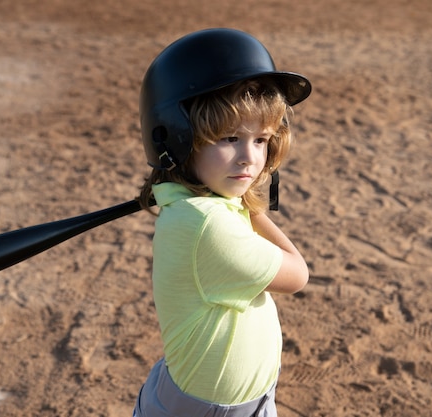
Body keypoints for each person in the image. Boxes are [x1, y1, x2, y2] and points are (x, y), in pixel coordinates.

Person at [132, 28, 312, 417]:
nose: (250, 157)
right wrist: (254, 208)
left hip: (231, 402)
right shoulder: (206, 225)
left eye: (261, 140)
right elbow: (298, 274)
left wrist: (240, 202)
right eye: (230, 138)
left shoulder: (196, 206)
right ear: (179, 141)